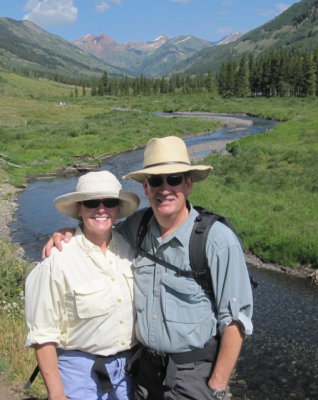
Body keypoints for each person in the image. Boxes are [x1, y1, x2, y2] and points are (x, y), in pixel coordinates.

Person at [43, 136, 253, 400]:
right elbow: (100, 229)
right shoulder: (137, 227)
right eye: (155, 181)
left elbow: (235, 321)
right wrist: (68, 233)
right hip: (143, 372)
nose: (164, 188)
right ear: (145, 187)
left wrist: (217, 386)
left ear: (188, 184)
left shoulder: (217, 240)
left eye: (174, 179)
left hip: (192, 374)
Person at [25, 171, 140, 400]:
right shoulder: (57, 261)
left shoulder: (130, 250)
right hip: (80, 378)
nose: (101, 209)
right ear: (79, 208)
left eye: (109, 202)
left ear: (117, 208)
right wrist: (57, 395)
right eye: (91, 203)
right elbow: (43, 336)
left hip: (129, 372)